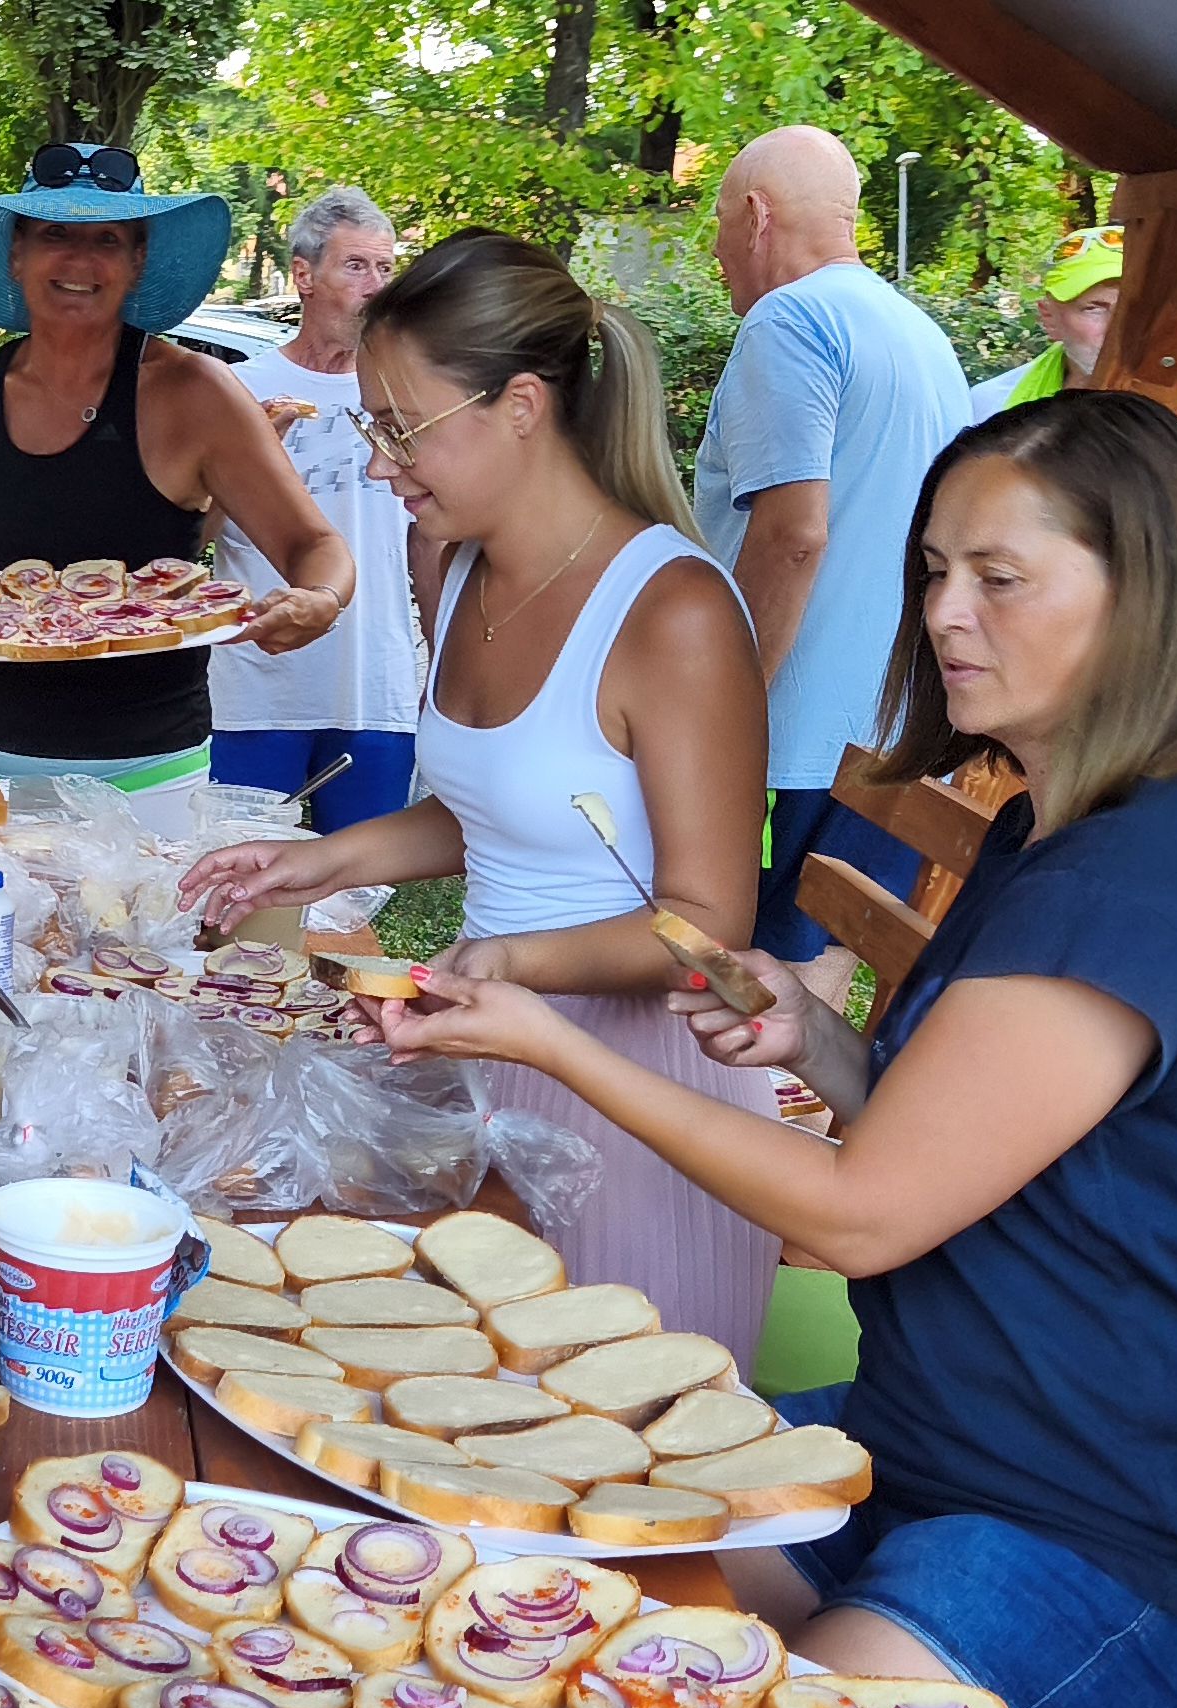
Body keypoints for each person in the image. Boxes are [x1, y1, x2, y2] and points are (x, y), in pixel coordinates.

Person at [370, 392, 1177, 1708]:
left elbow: (867, 1217)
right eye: (932, 571)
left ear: (1147, 595)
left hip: (1118, 1552)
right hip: (932, 1455)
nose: (944, 614)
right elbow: (966, 1148)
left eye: (996, 575)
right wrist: (818, 1038)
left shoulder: (1145, 879)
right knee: (519, 1559)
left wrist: (553, 1037)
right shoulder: (1075, 825)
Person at [184, 229, 774, 1359]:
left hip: (637, 1101)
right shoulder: (453, 564)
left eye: (401, 428)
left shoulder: (674, 612)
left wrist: (505, 962)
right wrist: (313, 859)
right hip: (490, 1058)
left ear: (520, 406)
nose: (379, 462)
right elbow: (495, 806)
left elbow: (710, 927)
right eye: (373, 425)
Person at [0, 143, 353, 834]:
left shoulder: (194, 396)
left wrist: (320, 598)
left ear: (137, 261)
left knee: (132, 943)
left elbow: (311, 543)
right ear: (15, 254)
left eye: (106, 240)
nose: (78, 261)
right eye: (54, 235)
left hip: (148, 778)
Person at [693, 126, 964, 1006]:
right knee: (823, 974)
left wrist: (727, 701)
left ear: (757, 216)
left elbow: (792, 534)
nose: (718, 251)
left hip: (793, 735)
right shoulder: (920, 336)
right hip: (895, 726)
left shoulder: (789, 320)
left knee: (752, 989)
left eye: (721, 224)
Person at [205, 186, 423, 833]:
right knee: (226, 888)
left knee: (357, 898)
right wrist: (247, 467)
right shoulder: (240, 387)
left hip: (372, 685)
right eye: (356, 266)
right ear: (302, 274)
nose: (376, 285)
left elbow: (434, 538)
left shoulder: (408, 392)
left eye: (385, 268)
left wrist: (442, 673)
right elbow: (191, 537)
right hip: (253, 685)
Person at [967, 222, 1177, 598]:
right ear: (1049, 318)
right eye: (1095, 308)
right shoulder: (990, 407)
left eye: (1135, 307)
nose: (1118, 328)